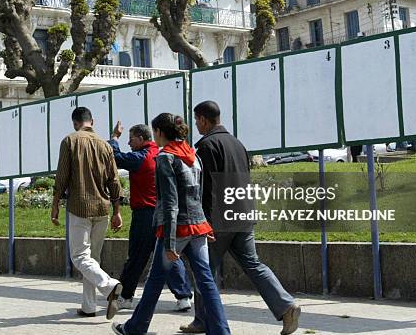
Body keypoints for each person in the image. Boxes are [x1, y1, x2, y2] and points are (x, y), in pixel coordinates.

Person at [180, 101, 300, 335]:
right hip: (243, 213)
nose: (196, 125)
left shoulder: (206, 145)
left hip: (218, 218)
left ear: (203, 119)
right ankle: (286, 306)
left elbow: (207, 187)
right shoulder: (238, 143)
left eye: (196, 120)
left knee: (205, 269)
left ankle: (204, 320)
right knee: (253, 264)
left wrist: (205, 222)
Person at [112, 113, 231, 335]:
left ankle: (135, 328)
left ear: (158, 132)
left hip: (177, 228)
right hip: (198, 226)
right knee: (206, 281)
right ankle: (222, 331)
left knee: (155, 279)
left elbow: (170, 202)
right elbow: (198, 195)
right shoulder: (193, 156)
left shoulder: (165, 157)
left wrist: (169, 241)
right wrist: (205, 225)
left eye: (154, 132)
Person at [108, 121, 193, 311]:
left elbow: (116, 157)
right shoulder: (160, 153)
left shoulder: (142, 157)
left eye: (131, 139)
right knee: (170, 253)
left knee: (137, 256)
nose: (129, 143)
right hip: (164, 213)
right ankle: (184, 296)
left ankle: (126, 296)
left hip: (145, 215)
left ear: (140, 138)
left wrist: (114, 138)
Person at [51, 107, 124, 319]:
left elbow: (62, 176)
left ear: (75, 123)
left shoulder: (70, 141)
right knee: (92, 259)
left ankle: (110, 286)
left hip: (79, 207)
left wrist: (55, 204)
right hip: (103, 208)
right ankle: (89, 306)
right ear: (92, 120)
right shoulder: (105, 145)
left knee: (80, 257)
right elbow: (114, 180)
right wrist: (117, 211)